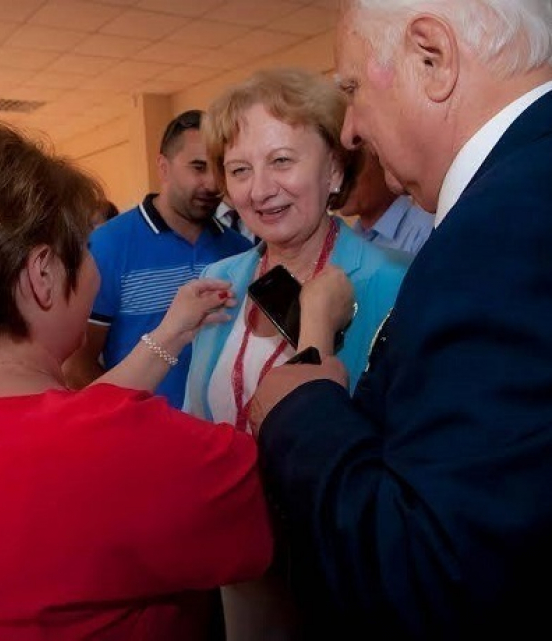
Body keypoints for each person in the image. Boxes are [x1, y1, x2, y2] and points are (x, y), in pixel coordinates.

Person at [0, 121, 273, 640]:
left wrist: (170, 333)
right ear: (43, 274)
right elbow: (282, 496)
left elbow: (69, 428)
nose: (95, 265)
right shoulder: (108, 444)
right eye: (86, 249)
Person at [252, 0, 552, 638]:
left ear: (432, 57)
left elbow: (435, 579)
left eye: (353, 90)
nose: (352, 130)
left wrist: (301, 410)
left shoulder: (500, 229)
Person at [182, 67, 409, 641]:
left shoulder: (396, 283)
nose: (259, 189)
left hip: (340, 568)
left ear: (333, 168)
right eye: (240, 170)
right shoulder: (219, 279)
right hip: (239, 566)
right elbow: (196, 426)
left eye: (282, 161)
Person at [63, 109, 252, 408]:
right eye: (198, 167)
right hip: (140, 437)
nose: (213, 184)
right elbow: (76, 365)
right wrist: (130, 418)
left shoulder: (239, 249)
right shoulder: (109, 244)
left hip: (220, 436)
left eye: (219, 168)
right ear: (163, 167)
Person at [337, 147, 433, 254]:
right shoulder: (347, 241)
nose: (340, 182)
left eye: (351, 169)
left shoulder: (424, 233)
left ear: (385, 165)